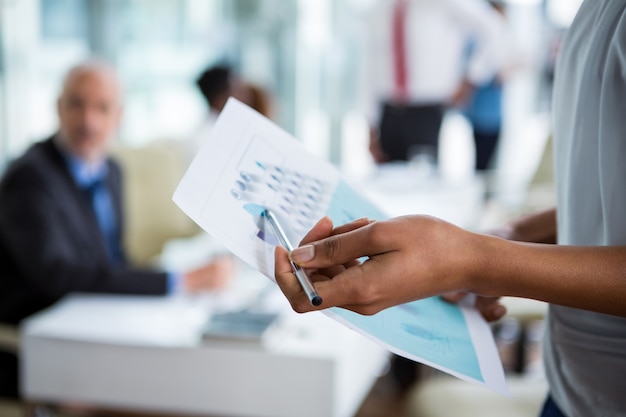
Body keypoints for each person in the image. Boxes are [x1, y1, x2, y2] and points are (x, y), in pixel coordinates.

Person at [274, 1, 626, 416]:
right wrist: (511, 237)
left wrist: (476, 260)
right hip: (571, 384)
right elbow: (606, 198)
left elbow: (493, 34)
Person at [0, 61, 234, 397]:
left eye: (102, 108)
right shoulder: (29, 178)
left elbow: (111, 260)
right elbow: (58, 274)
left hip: (97, 322)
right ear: (58, 107)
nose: (88, 121)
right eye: (77, 104)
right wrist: (179, 281)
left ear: (118, 116)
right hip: (40, 337)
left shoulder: (111, 171)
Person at [363, 0, 505, 164]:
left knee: (424, 182)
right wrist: (370, 124)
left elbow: (494, 28)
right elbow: (370, 70)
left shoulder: (445, 3)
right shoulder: (381, 10)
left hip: (427, 111)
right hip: (388, 113)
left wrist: (471, 79)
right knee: (385, 181)